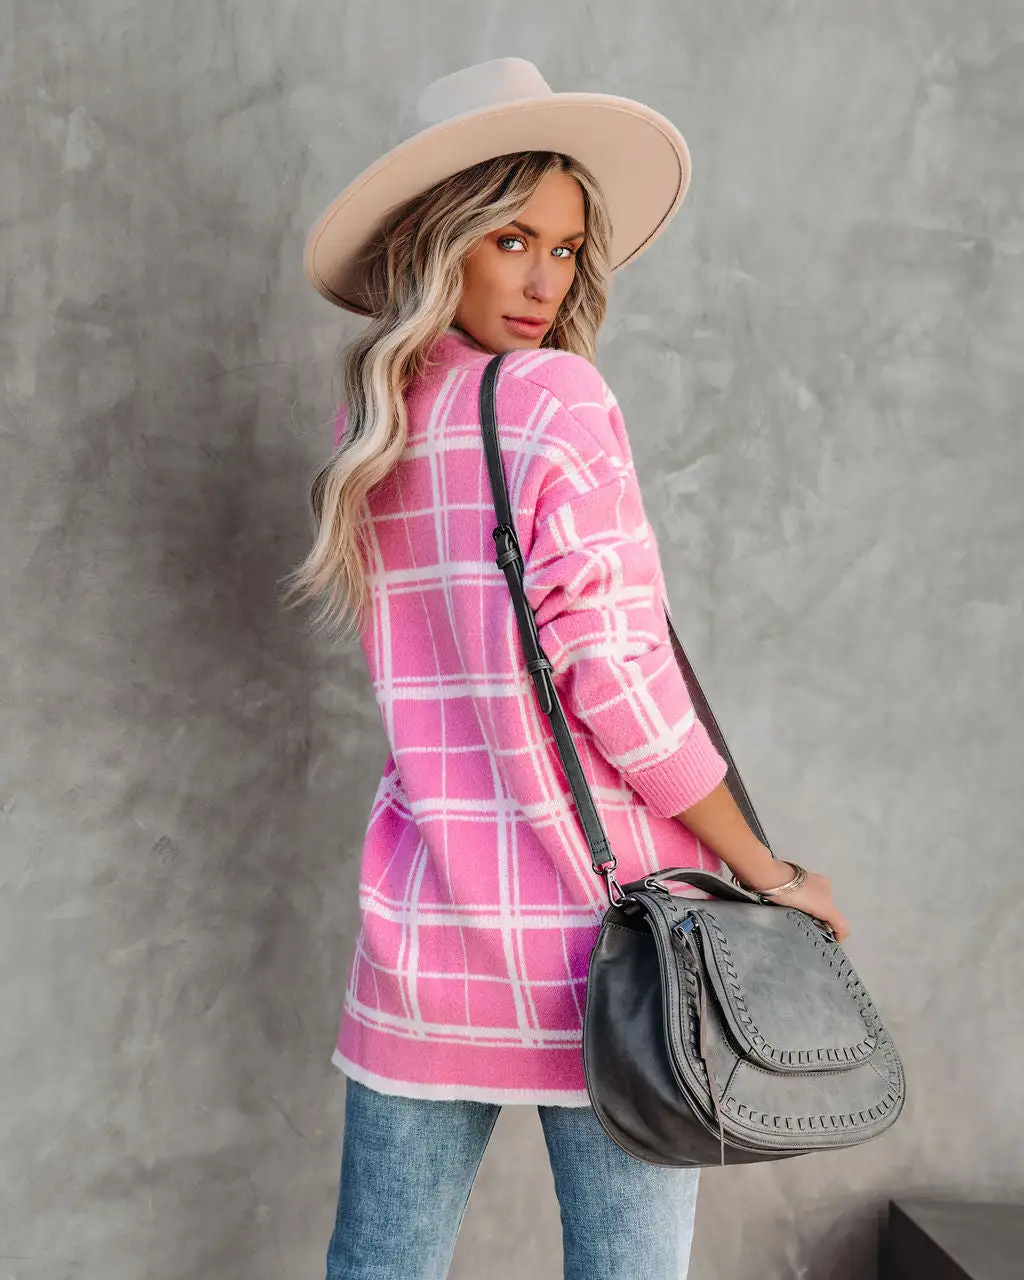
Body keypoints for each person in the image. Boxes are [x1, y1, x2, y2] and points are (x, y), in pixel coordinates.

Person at [286, 57, 849, 1280]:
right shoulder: (556, 396)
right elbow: (619, 688)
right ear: (438, 240)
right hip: (613, 948)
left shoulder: (374, 422)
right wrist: (764, 871)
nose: (545, 280)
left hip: (427, 928)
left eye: (565, 247)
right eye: (511, 239)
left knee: (377, 1263)